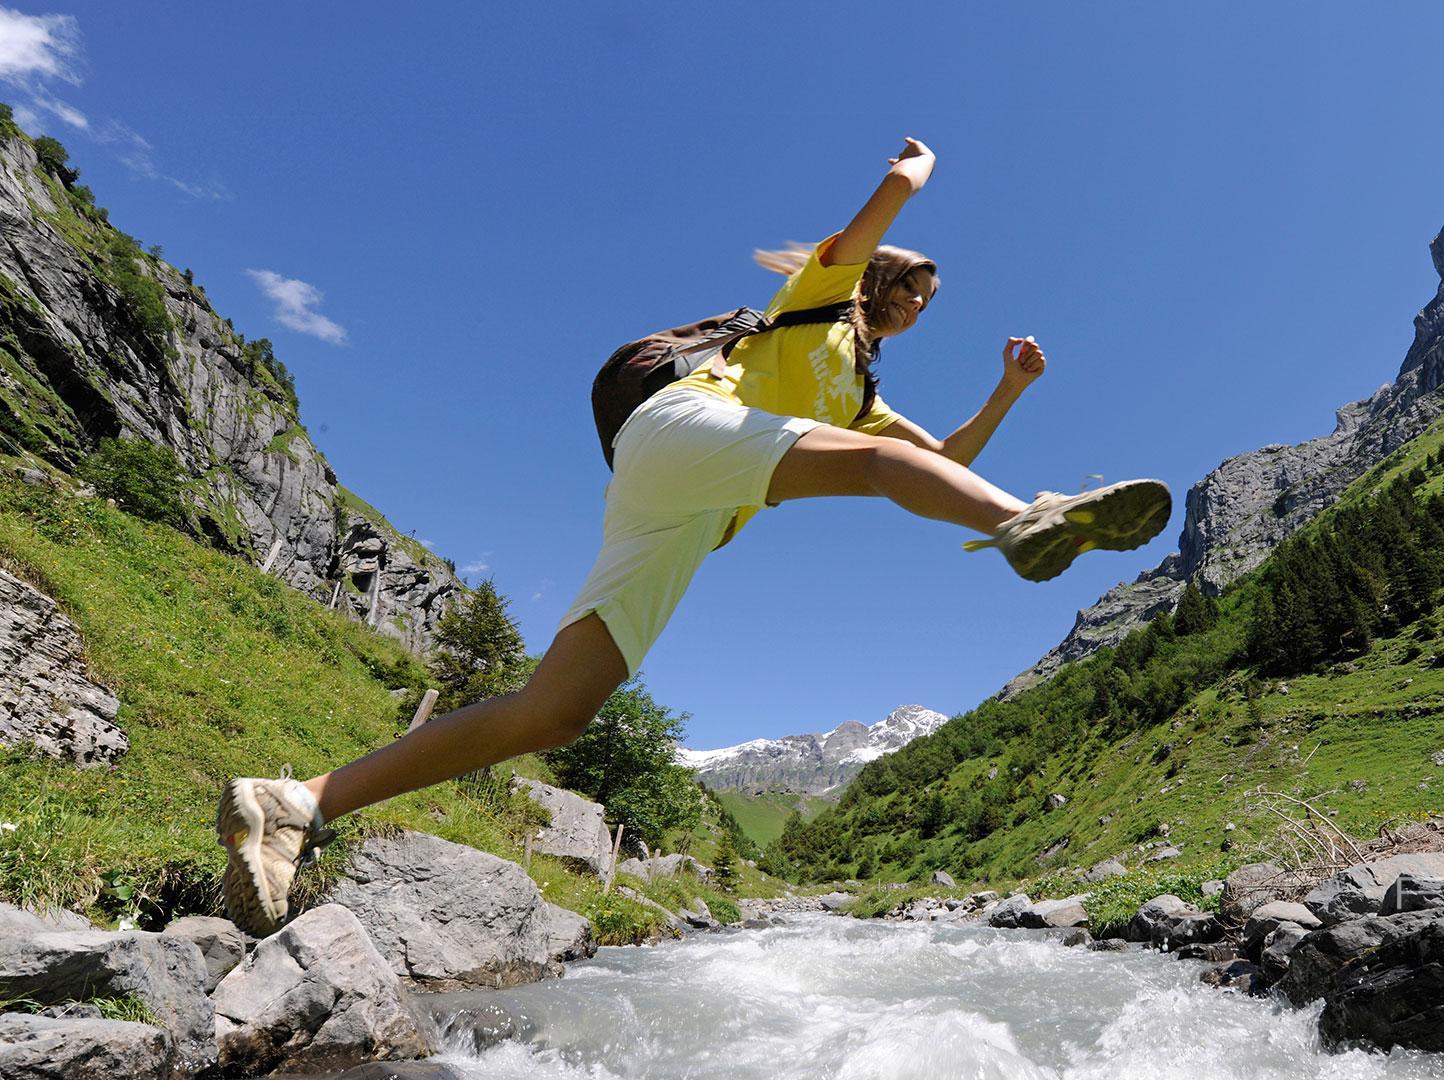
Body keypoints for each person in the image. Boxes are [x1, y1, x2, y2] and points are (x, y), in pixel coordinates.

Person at [217, 137, 1170, 936]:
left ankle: (297, 802)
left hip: (691, 506)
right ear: (875, 278)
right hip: (679, 429)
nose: (918, 304)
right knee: (887, 475)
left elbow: (945, 457)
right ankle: (1025, 522)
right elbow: (870, 231)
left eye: (927, 300)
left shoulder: (865, 396)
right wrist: (913, 175)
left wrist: (1008, 392)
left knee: (557, 711)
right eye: (912, 287)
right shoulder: (811, 303)